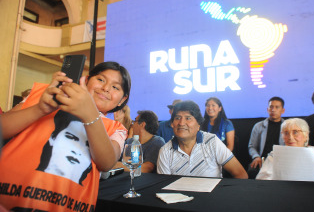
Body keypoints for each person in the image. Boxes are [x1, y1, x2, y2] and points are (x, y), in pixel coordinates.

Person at [0, 61, 131, 211]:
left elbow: (106, 162)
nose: (105, 88)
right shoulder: (45, 95)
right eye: (100, 79)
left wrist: (90, 114)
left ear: (122, 99)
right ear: (86, 81)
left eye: (115, 87)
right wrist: (40, 109)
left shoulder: (116, 128)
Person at [157, 100, 248, 179]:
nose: (181, 123)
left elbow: (241, 174)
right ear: (172, 124)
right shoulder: (165, 151)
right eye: (177, 118)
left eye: (188, 118)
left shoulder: (212, 142)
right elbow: (163, 186)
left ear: (198, 125)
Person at [256, 118, 314, 182]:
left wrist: (312, 166)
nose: (290, 137)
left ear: (306, 135)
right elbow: (261, 181)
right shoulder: (275, 154)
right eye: (286, 133)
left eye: (295, 132)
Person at [247, 96, 286, 179]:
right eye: (271, 107)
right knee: (252, 171)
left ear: (283, 110)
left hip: (282, 160)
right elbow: (251, 146)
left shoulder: (288, 127)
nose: (273, 110)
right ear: (268, 109)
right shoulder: (258, 126)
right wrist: (256, 157)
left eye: (277, 107)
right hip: (262, 160)